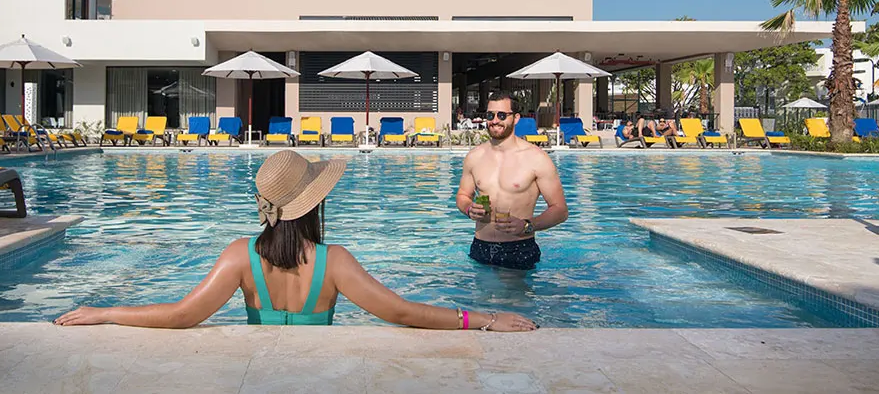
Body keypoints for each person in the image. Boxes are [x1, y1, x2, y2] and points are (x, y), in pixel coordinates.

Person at [55, 150, 536, 332]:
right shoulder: (335, 261)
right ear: (313, 204)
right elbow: (404, 312)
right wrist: (487, 319)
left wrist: (108, 312)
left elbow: (182, 315)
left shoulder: (240, 255)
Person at [455, 92, 568, 270]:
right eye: (490, 115)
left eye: (501, 115)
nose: (495, 121)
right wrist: (469, 209)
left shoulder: (536, 159)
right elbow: (462, 195)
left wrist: (528, 225)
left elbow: (560, 210)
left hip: (518, 248)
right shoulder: (474, 157)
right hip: (480, 247)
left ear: (515, 118)